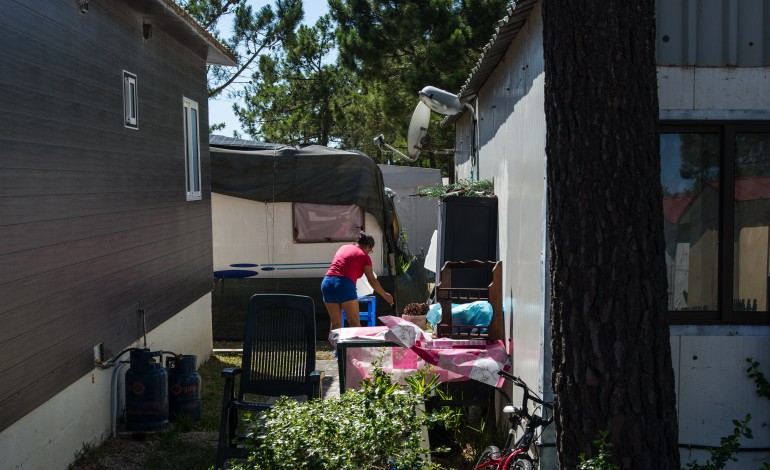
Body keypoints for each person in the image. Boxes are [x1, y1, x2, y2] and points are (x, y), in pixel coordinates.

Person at [322, 231, 394, 330]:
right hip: (343, 284)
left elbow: (344, 266)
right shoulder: (364, 257)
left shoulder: (343, 247)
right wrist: (385, 295)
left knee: (335, 324)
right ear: (367, 246)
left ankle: (335, 346)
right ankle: (356, 346)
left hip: (327, 283)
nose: (369, 253)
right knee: (354, 322)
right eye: (370, 250)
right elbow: (372, 280)